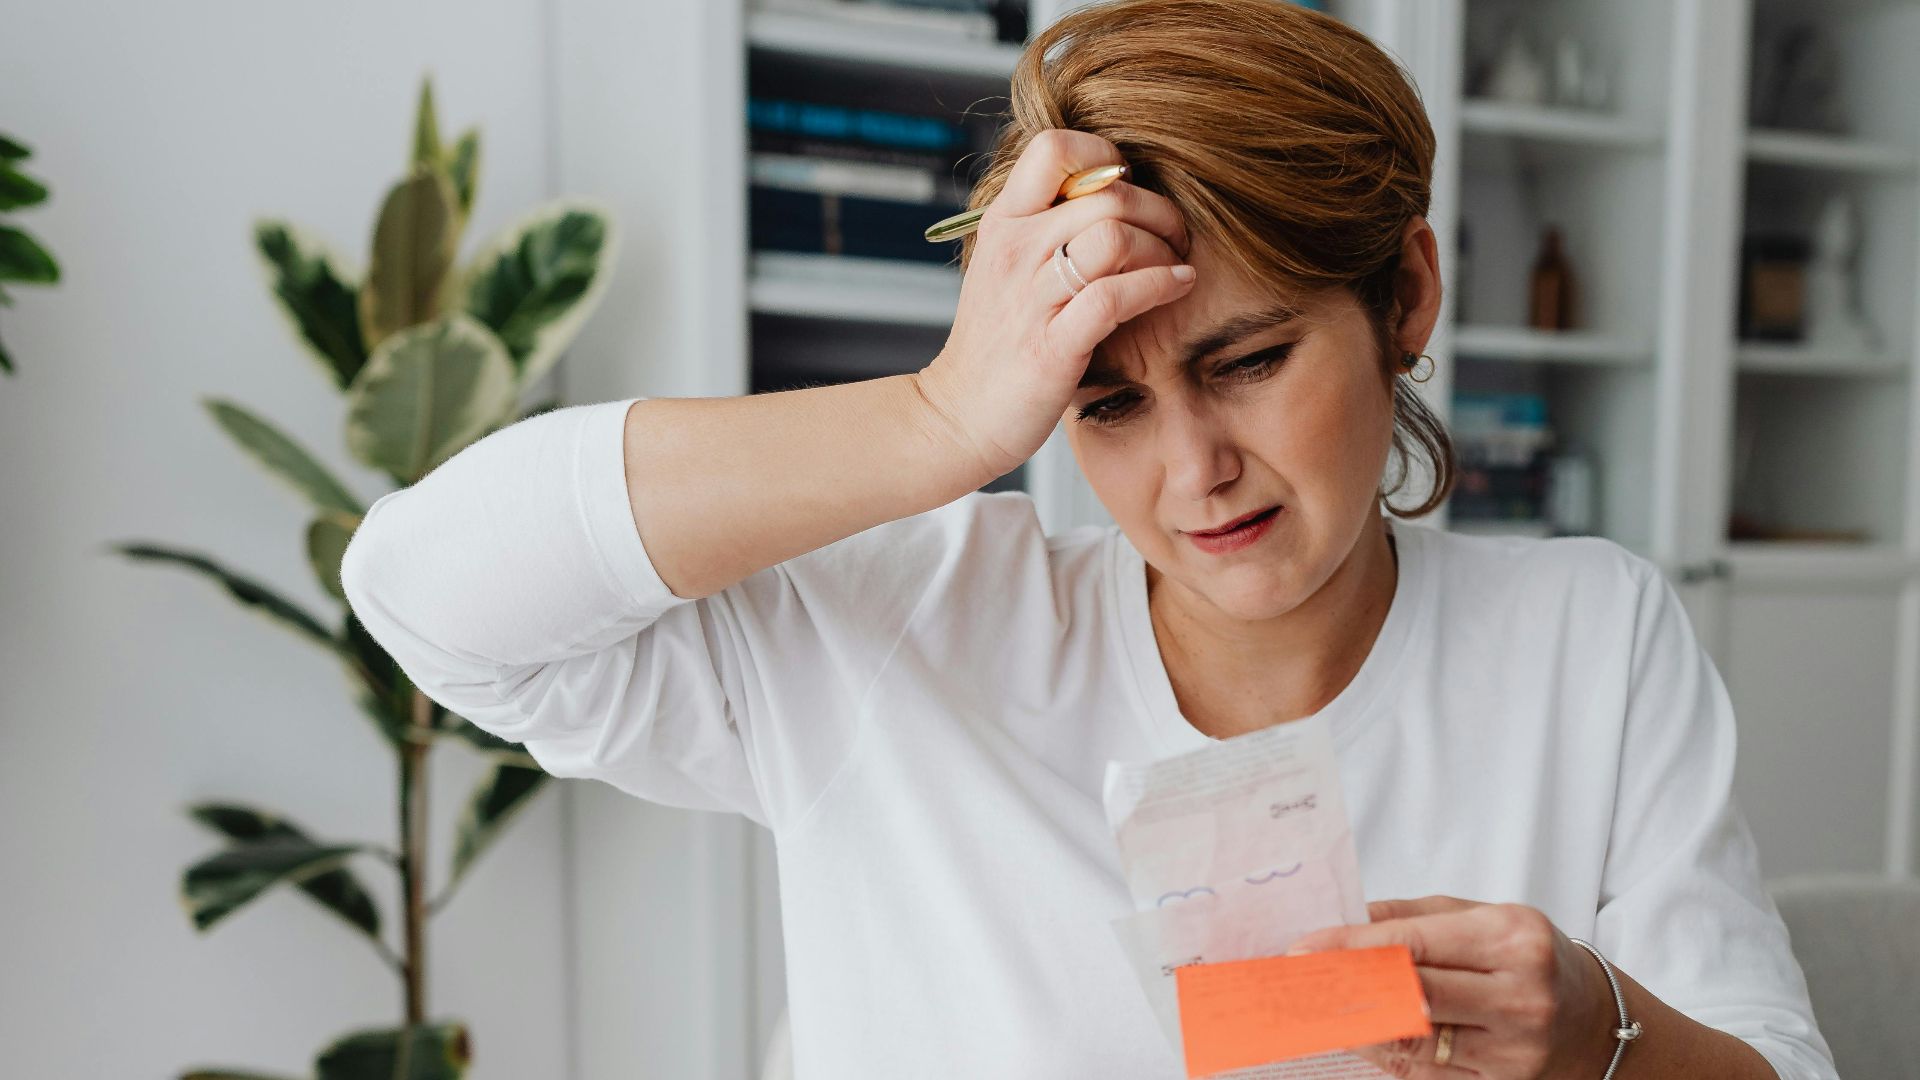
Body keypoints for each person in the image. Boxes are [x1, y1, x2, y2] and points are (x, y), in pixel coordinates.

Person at [339, 1, 1838, 1077]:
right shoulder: (907, 627)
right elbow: (422, 590)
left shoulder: (1592, 636)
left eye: (1249, 360)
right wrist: (943, 420)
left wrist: (1604, 1037)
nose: (1196, 471)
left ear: (1406, 297)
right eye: (1106, 401)